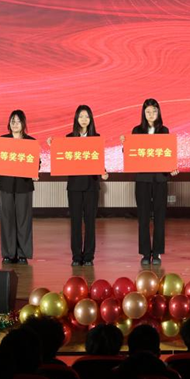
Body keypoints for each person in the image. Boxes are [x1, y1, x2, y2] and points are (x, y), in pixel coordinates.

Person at [49, 105, 108, 266]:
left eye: (87, 116)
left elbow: (99, 162)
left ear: (91, 119)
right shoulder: (69, 138)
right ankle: (76, 256)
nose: (84, 119)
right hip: (74, 186)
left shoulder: (96, 138)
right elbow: (62, 159)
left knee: (90, 223)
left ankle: (88, 256)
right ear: (76, 119)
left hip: (91, 186)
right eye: (81, 116)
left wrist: (104, 173)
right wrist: (53, 145)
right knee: (75, 222)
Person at [122, 98, 178, 266]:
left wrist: (172, 168)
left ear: (158, 113)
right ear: (143, 114)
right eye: (148, 112)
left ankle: (157, 252)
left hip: (160, 179)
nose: (151, 114)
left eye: (154, 111)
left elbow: (168, 154)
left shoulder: (164, 130)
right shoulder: (137, 130)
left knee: (160, 218)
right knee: (143, 217)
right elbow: (130, 153)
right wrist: (125, 146)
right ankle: (146, 253)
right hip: (143, 179)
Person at [0, 110, 36, 264]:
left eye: (18, 121)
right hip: (5, 185)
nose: (15, 124)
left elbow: (36, 162)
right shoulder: (2, 140)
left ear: (23, 124)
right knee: (7, 219)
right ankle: (9, 253)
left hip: (24, 185)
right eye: (12, 121)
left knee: (24, 220)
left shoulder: (31, 141)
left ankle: (23, 253)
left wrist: (35, 171)